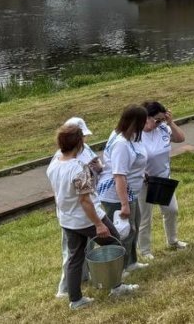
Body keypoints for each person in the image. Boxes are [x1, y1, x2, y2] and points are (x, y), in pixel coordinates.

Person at [47, 122, 137, 310]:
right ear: (79, 143)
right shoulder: (78, 169)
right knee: (116, 244)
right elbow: (85, 201)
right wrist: (99, 224)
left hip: (67, 220)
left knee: (75, 258)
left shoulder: (54, 164)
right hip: (87, 218)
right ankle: (116, 285)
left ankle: (75, 299)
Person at [96, 104, 149, 270]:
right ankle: (120, 267)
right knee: (122, 231)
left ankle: (131, 261)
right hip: (117, 194)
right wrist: (124, 204)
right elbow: (119, 175)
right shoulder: (121, 144)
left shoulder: (130, 137)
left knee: (133, 228)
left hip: (131, 191)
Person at [54, 117, 98, 299]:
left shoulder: (81, 154)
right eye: (82, 137)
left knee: (82, 251)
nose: (85, 141)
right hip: (76, 216)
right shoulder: (67, 164)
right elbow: (83, 198)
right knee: (72, 254)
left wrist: (96, 167)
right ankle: (65, 289)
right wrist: (99, 223)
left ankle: (83, 280)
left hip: (74, 214)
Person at [135, 102, 187, 260]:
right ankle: (145, 250)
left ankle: (173, 241)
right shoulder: (136, 135)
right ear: (146, 118)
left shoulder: (164, 128)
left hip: (162, 178)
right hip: (144, 182)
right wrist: (140, 172)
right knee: (145, 217)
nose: (158, 123)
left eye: (161, 120)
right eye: (156, 120)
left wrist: (170, 122)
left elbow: (180, 138)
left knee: (171, 211)